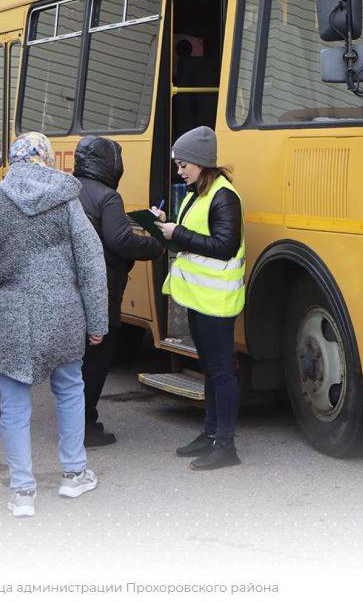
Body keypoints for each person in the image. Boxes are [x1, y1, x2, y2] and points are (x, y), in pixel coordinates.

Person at [0, 133, 108, 517]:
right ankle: (74, 473)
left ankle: (23, 493)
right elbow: (91, 261)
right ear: (45, 158)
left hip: (9, 316)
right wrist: (97, 321)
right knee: (69, 389)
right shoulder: (65, 200)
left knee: (14, 404)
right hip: (62, 312)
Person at [153, 126, 245, 471]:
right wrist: (165, 225)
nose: (180, 171)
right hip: (200, 299)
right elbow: (198, 237)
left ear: (200, 163)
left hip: (217, 304)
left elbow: (225, 247)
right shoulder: (198, 193)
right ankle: (209, 435)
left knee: (221, 373)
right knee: (210, 370)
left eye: (183, 165)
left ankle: (226, 446)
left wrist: (179, 233)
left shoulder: (224, 196)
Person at [74, 136, 163, 447]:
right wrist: (156, 245)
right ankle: (85, 426)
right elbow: (119, 240)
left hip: (69, 289)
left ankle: (72, 421)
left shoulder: (70, 189)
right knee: (97, 360)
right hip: (101, 289)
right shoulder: (108, 197)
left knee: (76, 362)